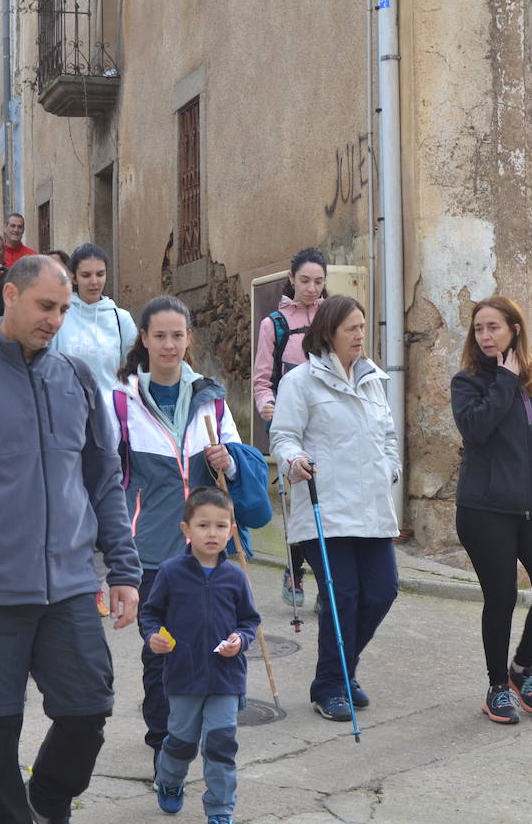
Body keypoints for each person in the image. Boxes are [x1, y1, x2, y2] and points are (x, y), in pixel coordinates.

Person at [0, 255, 141, 824]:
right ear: (9, 296)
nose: (55, 319)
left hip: (67, 588)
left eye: (63, 309)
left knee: (88, 711)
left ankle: (46, 803)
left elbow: (104, 480)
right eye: (45, 306)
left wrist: (124, 569)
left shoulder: (77, 380)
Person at [111, 294, 241, 767]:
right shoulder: (121, 402)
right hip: (151, 552)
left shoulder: (212, 398)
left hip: (209, 547)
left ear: (189, 339)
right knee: (161, 652)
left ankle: (206, 735)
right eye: (160, 336)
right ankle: (164, 744)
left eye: (177, 336)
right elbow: (105, 475)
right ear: (143, 339)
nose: (169, 345)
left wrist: (229, 460)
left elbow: (238, 464)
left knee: (214, 644)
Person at [270, 295, 399, 724]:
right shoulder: (301, 382)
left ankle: (342, 671)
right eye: (352, 328)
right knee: (342, 596)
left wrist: (390, 470)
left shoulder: (373, 380)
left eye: (363, 327)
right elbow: (283, 437)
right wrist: (293, 462)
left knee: (382, 592)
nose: (361, 335)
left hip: (373, 509)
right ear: (328, 333)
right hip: (325, 509)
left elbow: (388, 437)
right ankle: (330, 685)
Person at [450, 296, 532, 726]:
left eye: (493, 327)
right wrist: (502, 379)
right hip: (484, 511)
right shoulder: (468, 383)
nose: (485, 335)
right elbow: (476, 430)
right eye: (479, 328)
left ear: (514, 329)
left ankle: (522, 669)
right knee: (500, 598)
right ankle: (497, 687)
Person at [140, 487, 259, 824]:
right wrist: (154, 637)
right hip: (183, 676)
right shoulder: (171, 572)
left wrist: (241, 638)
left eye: (221, 526)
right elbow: (151, 615)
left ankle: (220, 809)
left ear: (232, 532)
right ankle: (169, 780)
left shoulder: (235, 576)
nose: (212, 533)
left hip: (226, 677)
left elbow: (250, 621)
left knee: (221, 743)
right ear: (186, 530)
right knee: (181, 742)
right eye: (203, 525)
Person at [253, 248, 328, 609]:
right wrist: (266, 406)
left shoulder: (333, 316)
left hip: (328, 422)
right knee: (300, 500)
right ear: (291, 279)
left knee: (327, 502)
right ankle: (295, 569)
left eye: (318, 282)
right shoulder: (274, 324)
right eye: (305, 281)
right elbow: (261, 380)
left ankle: (328, 581)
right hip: (289, 424)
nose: (311, 289)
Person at [51, 243, 138, 392]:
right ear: (73, 277)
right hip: (68, 410)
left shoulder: (121, 319)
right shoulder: (59, 316)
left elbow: (135, 369)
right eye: (86, 275)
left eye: (100, 274)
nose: (94, 282)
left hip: (110, 411)